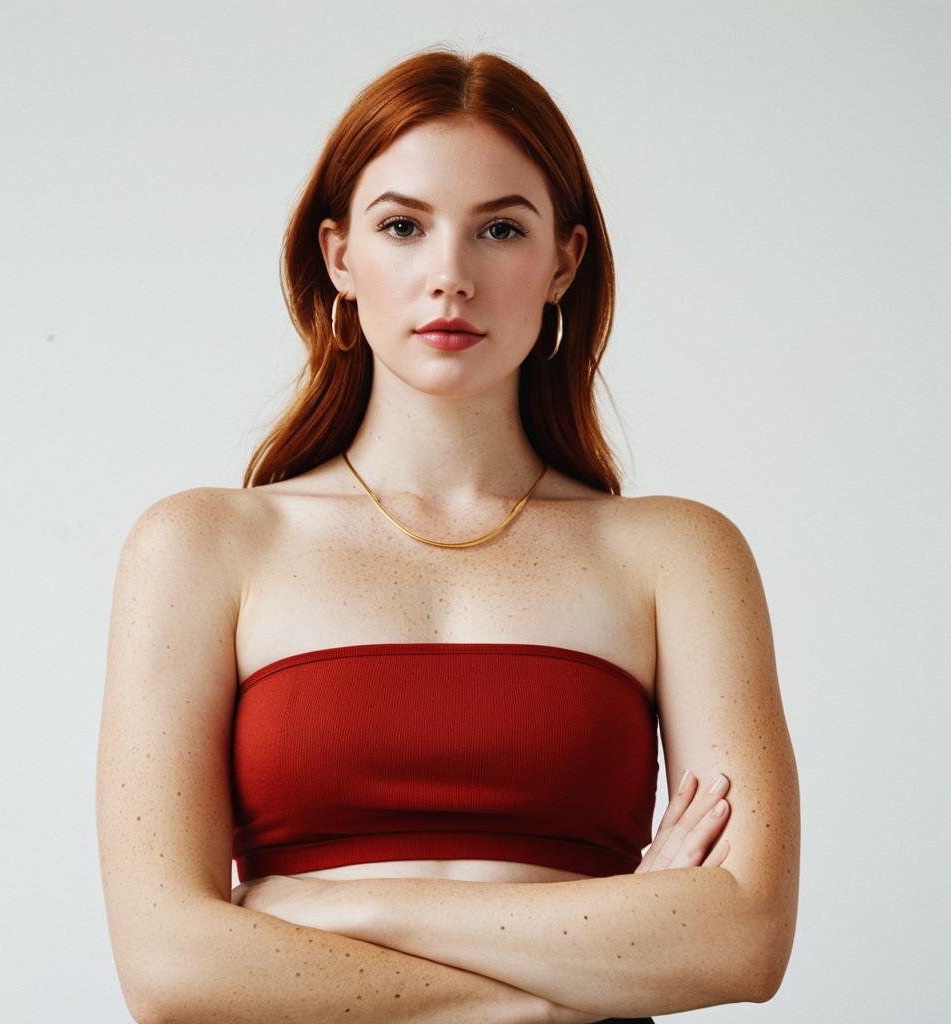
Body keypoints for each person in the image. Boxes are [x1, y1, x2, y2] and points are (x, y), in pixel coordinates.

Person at [96, 46, 799, 1024]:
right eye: (402, 226)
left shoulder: (678, 554)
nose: (450, 276)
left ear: (563, 260)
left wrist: (326, 908)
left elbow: (740, 936)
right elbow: (170, 964)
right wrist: (557, 996)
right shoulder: (203, 545)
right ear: (340, 255)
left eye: (500, 229)